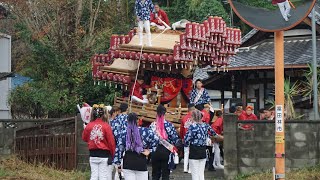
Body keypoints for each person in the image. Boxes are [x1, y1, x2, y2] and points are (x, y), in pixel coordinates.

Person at [114, 113, 159, 180]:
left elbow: (119, 149)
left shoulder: (124, 133)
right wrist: (150, 150)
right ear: (137, 121)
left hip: (128, 163)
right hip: (141, 162)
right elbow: (156, 140)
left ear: (127, 121)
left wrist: (118, 163)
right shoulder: (146, 131)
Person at [82, 104, 116, 180]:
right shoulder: (106, 126)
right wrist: (112, 154)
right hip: (104, 154)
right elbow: (111, 142)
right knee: (103, 176)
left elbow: (84, 138)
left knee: (94, 176)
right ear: (104, 114)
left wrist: (92, 140)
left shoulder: (89, 125)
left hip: (93, 154)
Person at [184, 110, 220, 180]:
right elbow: (214, 134)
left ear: (193, 117)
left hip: (194, 150)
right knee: (201, 173)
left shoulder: (192, 127)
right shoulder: (206, 125)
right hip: (203, 149)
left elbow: (186, 139)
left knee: (195, 173)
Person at [150, 105, 180, 180]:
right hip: (166, 151)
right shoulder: (169, 125)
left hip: (155, 150)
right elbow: (175, 139)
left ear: (156, 113)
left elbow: (149, 138)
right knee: (165, 174)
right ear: (165, 113)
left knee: (155, 174)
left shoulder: (152, 125)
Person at [110, 103, 129, 177]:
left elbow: (113, 132)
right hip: (127, 146)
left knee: (117, 168)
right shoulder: (129, 119)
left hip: (117, 145)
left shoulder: (115, 119)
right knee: (125, 169)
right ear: (127, 109)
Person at [180, 104, 195, 173]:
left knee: (186, 153)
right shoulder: (195, 118)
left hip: (186, 138)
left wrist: (182, 137)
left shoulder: (184, 118)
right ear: (193, 109)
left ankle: (185, 168)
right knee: (192, 154)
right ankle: (190, 169)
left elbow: (182, 129)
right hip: (193, 139)